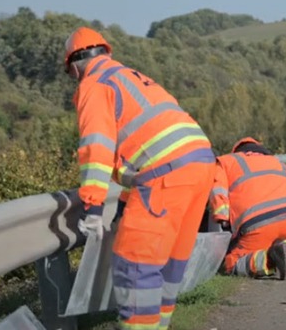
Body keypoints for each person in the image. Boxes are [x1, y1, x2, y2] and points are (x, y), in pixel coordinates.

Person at [64, 27, 215, 330]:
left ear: (74, 65)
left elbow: (97, 148)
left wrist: (93, 209)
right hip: (200, 165)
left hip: (168, 174)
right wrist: (124, 201)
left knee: (135, 264)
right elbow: (135, 155)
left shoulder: (94, 84)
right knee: (170, 262)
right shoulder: (131, 78)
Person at [209, 137, 286, 280]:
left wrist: (222, 219)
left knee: (230, 264)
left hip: (257, 223)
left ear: (237, 152)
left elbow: (218, 192)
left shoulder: (226, 161)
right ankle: (284, 246)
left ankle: (269, 260)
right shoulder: (277, 162)